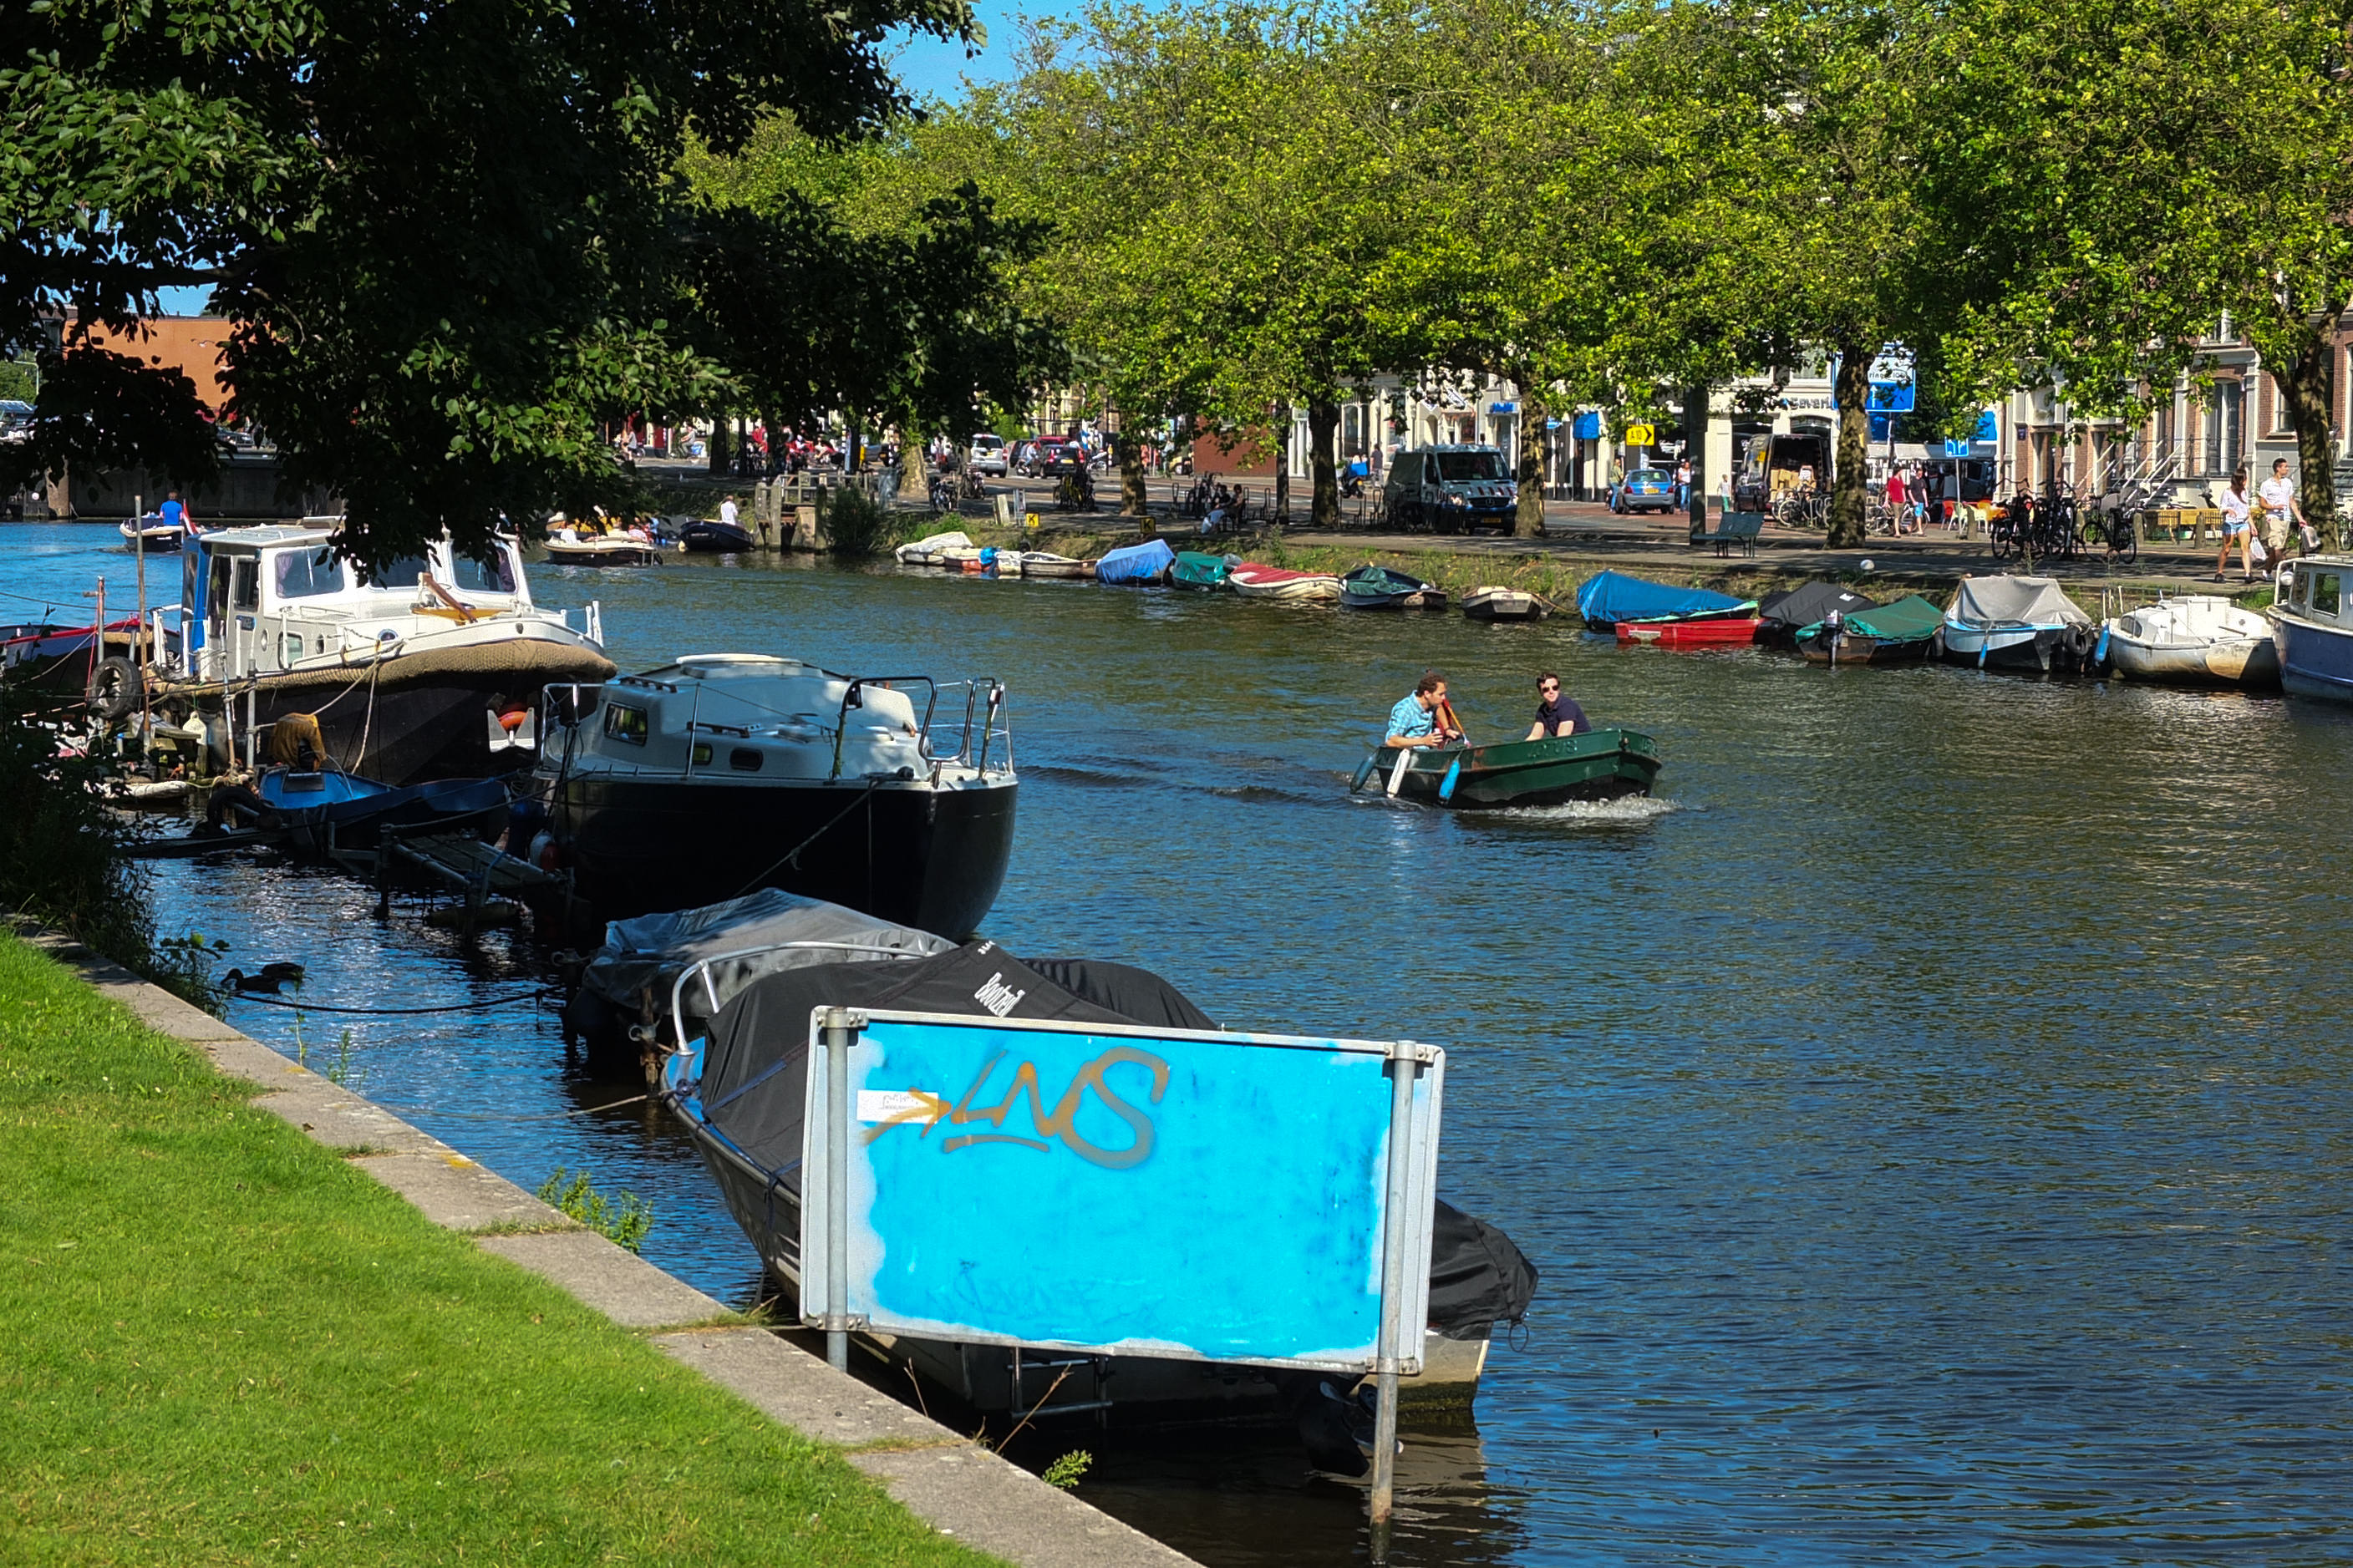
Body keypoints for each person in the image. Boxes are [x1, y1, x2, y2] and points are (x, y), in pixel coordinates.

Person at [1385, 672, 1461, 750]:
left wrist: (1447, 729)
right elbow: (1391, 741)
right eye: (1440, 694)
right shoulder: (1405, 710)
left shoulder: (1433, 703)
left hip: (1425, 750)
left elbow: (1439, 707)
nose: (1444, 698)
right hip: (1406, 752)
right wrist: (1424, 741)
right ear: (1427, 694)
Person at [2259, 458, 2308, 558]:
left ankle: (2269, 567)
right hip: (2273, 518)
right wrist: (2274, 507)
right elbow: (2262, 503)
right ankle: (2284, 566)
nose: (2287, 469)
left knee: (2279, 548)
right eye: (2285, 467)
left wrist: (2300, 519)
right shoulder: (2267, 484)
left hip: (2286, 518)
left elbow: (2291, 501)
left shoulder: (2288, 483)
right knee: (2277, 546)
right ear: (2278, 468)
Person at [2216, 468, 2255, 581]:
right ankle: (2219, 572)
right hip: (2230, 523)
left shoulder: (2244, 492)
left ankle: (2248, 574)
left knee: (2245, 548)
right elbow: (2221, 508)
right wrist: (2228, 510)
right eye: (2244, 480)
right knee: (2227, 548)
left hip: (2243, 523)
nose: (2246, 482)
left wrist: (2252, 525)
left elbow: (2247, 510)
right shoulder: (2227, 492)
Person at [1524, 673, 1589, 740]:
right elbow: (1534, 736)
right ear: (1540, 692)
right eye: (1546, 689)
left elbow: (1562, 738)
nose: (1551, 692)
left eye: (1555, 688)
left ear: (1559, 689)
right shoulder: (1543, 710)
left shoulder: (1567, 706)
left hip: (1583, 742)